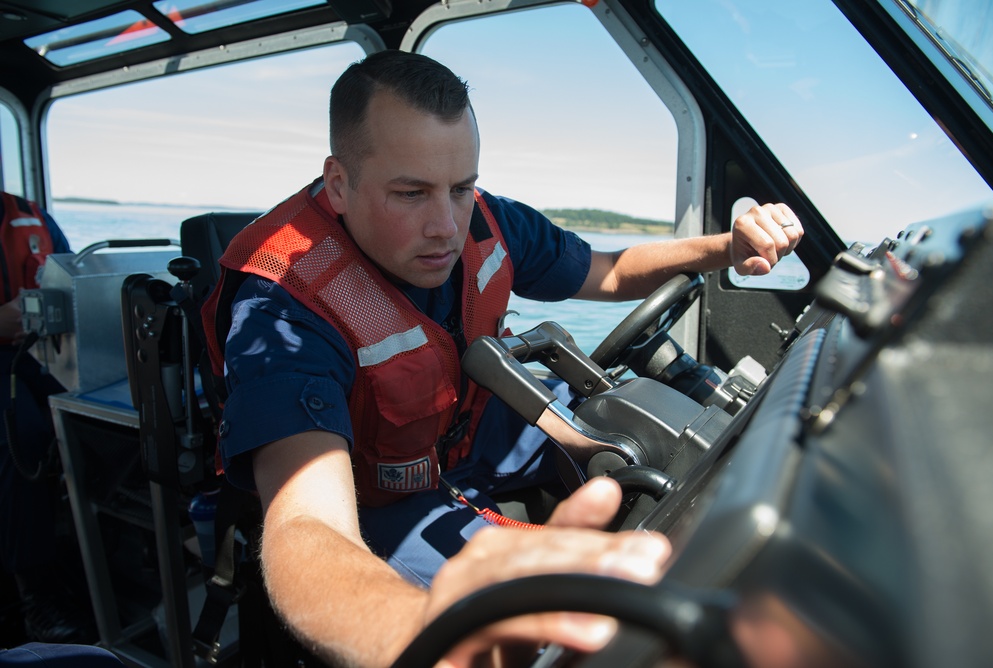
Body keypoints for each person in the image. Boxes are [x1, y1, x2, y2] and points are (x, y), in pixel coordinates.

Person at [201, 50, 803, 666]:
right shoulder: (285, 309)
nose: (446, 225)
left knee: (663, 445)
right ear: (338, 186)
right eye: (411, 193)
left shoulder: (486, 220)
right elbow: (306, 528)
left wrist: (726, 248)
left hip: (477, 434)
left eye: (461, 187)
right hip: (382, 494)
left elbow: (612, 273)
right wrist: (416, 636)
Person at [0, 191, 90, 644]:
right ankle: (32, 589)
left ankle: (101, 557)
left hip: (39, 350)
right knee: (22, 436)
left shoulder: (32, 216)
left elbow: (72, 273)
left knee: (98, 408)